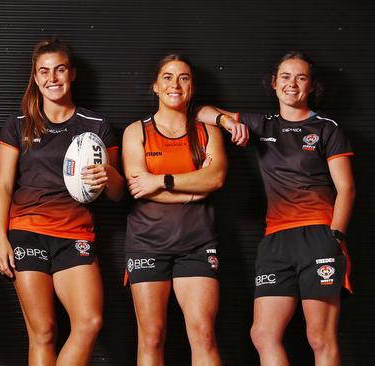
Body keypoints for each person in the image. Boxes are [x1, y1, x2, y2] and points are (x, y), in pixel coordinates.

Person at [198, 51, 355, 366]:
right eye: (285, 76)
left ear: (311, 86)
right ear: (273, 83)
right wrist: (228, 122)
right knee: (263, 334)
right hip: (276, 240)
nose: (292, 84)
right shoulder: (262, 124)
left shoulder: (326, 127)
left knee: (319, 337)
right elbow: (199, 111)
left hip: (318, 234)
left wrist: (335, 236)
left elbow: (347, 189)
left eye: (301, 77)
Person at [0, 39, 125, 366]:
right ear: (36, 79)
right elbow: (4, 186)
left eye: (60, 69)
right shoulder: (18, 125)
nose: (53, 78)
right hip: (27, 231)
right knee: (43, 332)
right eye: (44, 71)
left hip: (75, 234)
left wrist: (108, 173)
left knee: (89, 322)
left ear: (72, 74)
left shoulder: (95, 127)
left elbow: (118, 193)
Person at [122, 54, 227, 366]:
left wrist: (162, 181)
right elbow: (138, 188)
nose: (175, 84)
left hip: (197, 243)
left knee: (203, 333)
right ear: (156, 85)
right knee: (151, 336)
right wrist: (196, 190)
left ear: (191, 87)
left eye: (183, 78)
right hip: (147, 243)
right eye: (167, 77)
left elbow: (217, 178)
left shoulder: (208, 132)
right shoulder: (136, 131)